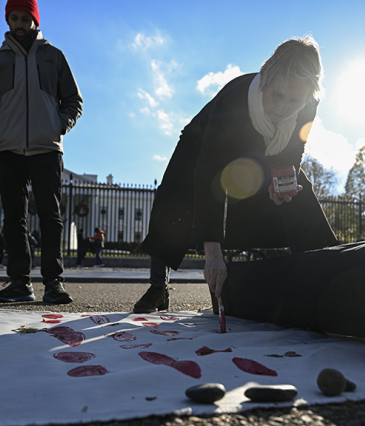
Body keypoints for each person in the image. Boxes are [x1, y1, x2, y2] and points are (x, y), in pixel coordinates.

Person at [134, 36, 339, 314]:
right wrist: (213, 255)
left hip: (262, 150)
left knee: (297, 188)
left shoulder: (308, 105)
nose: (282, 109)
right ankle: (158, 287)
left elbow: (295, 146)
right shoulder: (235, 97)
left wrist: (282, 181)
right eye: (277, 95)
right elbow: (209, 174)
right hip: (202, 146)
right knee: (175, 206)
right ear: (265, 75)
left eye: (294, 101)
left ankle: (329, 269)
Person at [0, 0, 82, 304]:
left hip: (46, 148)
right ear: (8, 20)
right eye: (13, 18)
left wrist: (59, 124)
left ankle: (54, 283)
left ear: (34, 20)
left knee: (50, 216)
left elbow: (73, 99)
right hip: (9, 150)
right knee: (13, 219)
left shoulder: (54, 56)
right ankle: (19, 283)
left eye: (24, 18)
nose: (18, 23)